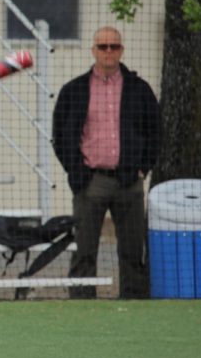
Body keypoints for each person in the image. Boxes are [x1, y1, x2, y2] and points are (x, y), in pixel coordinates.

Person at [52, 27, 160, 299]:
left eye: (114, 46)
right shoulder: (74, 90)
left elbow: (156, 131)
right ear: (93, 50)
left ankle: (134, 302)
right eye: (103, 47)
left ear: (122, 50)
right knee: (85, 249)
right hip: (91, 181)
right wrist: (76, 171)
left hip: (129, 182)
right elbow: (60, 134)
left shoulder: (139, 89)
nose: (108, 52)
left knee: (133, 250)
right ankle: (82, 304)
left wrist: (142, 168)